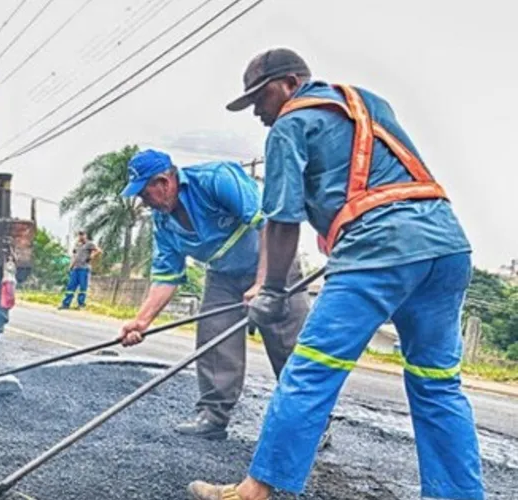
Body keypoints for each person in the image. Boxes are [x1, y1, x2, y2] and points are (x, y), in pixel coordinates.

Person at [186, 48, 483, 500]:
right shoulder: (368, 102)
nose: (258, 112)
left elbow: (281, 218)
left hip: (377, 252)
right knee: (438, 385)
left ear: (290, 83)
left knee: (310, 371)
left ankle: (253, 491)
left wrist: (272, 290)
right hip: (447, 249)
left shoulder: (290, 124)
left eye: (260, 98)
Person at [117, 149, 310, 440]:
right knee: (214, 338)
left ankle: (309, 424)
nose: (144, 202)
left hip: (274, 267)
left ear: (164, 183)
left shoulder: (217, 179)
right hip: (223, 275)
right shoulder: (163, 223)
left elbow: (268, 224)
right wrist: (142, 321)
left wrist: (263, 284)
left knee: (288, 346)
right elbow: (167, 277)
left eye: (145, 194)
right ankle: (213, 416)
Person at [58, 231, 101, 310]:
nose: (81, 236)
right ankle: (66, 304)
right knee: (71, 286)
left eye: (82, 235)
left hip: (84, 269)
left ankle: (81, 305)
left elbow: (98, 250)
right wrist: (71, 266)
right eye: (80, 235)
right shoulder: (77, 245)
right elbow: (75, 256)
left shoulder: (89, 244)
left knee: (82, 287)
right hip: (75, 268)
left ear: (85, 235)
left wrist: (91, 256)